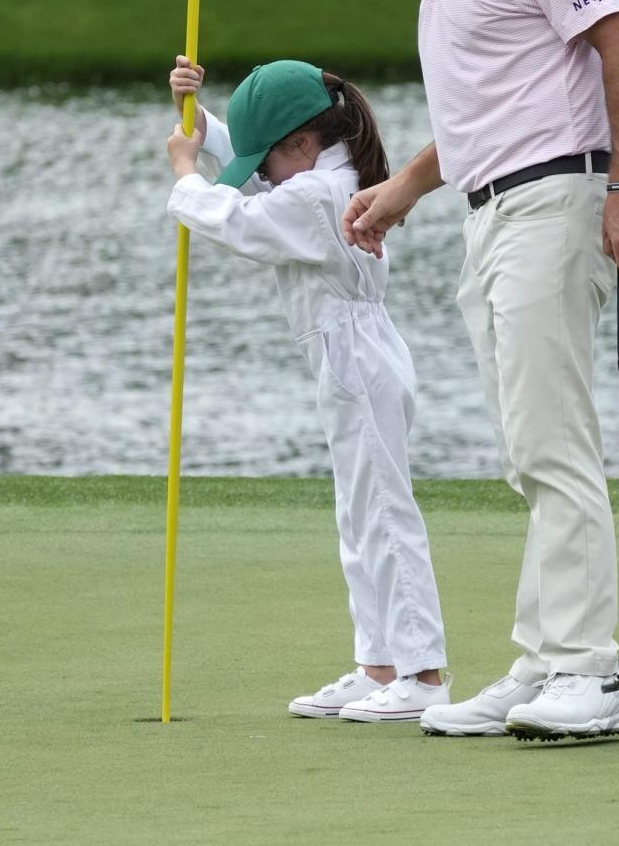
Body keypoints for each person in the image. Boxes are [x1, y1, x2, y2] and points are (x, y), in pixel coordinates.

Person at [310, 0, 619, 742]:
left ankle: (589, 672)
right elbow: (490, 105)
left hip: (557, 200)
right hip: (493, 211)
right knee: (524, 447)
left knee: (552, 438)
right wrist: (405, 189)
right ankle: (546, 658)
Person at [165, 54, 450, 723]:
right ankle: (378, 663)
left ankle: (424, 673)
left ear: (301, 143)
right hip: (347, 353)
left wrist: (184, 169)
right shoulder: (322, 171)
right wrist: (198, 120)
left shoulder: (319, 197)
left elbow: (238, 220)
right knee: (358, 512)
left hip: (356, 353)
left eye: (269, 156)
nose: (259, 171)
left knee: (382, 509)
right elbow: (258, 173)